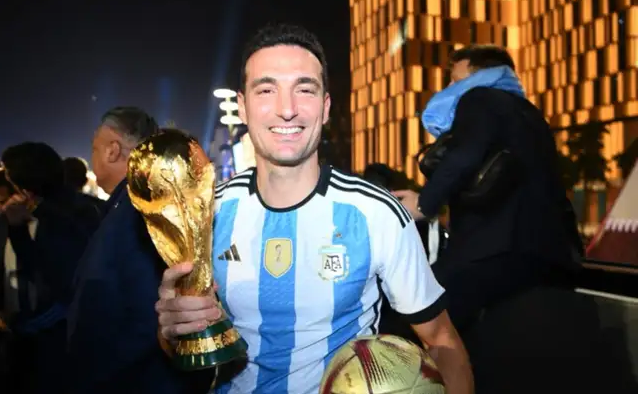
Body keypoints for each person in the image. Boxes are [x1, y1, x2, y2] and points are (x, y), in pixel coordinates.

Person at [155, 24, 473, 394]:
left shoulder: (376, 213)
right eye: (266, 90)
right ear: (242, 107)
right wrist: (173, 330)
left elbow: (441, 340)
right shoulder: (207, 214)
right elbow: (178, 348)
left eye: (304, 90)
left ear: (325, 108)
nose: (287, 109)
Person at [394, 45, 583, 334]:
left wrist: (423, 204)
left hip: (493, 251)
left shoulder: (479, 97)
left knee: (413, 319)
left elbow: (465, 154)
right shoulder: (529, 113)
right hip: (547, 255)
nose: (450, 88)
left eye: (456, 80)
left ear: (481, 75)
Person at [67, 107, 210, 393]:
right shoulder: (124, 206)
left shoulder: (139, 210)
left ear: (112, 150)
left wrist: (101, 375)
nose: (93, 157)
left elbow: (150, 313)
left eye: (94, 148)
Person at [0, 142, 101, 394]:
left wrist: (28, 324)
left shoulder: (73, 213)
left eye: (9, 173)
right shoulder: (21, 212)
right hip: (34, 333)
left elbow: (54, 275)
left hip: (60, 337)